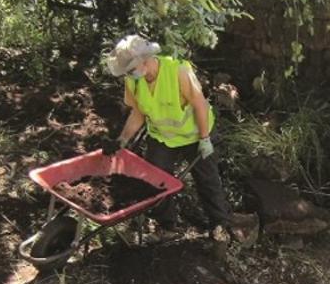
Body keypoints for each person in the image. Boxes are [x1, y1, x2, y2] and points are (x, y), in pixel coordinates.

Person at [102, 34, 238, 242]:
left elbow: (200, 104)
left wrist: (204, 138)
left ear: (145, 60)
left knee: (208, 180)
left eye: (131, 69)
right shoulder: (134, 81)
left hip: (194, 134)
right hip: (163, 137)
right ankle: (168, 226)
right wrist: (122, 140)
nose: (128, 75)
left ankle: (220, 227)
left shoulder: (178, 71)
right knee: (156, 181)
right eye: (126, 72)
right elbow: (138, 113)